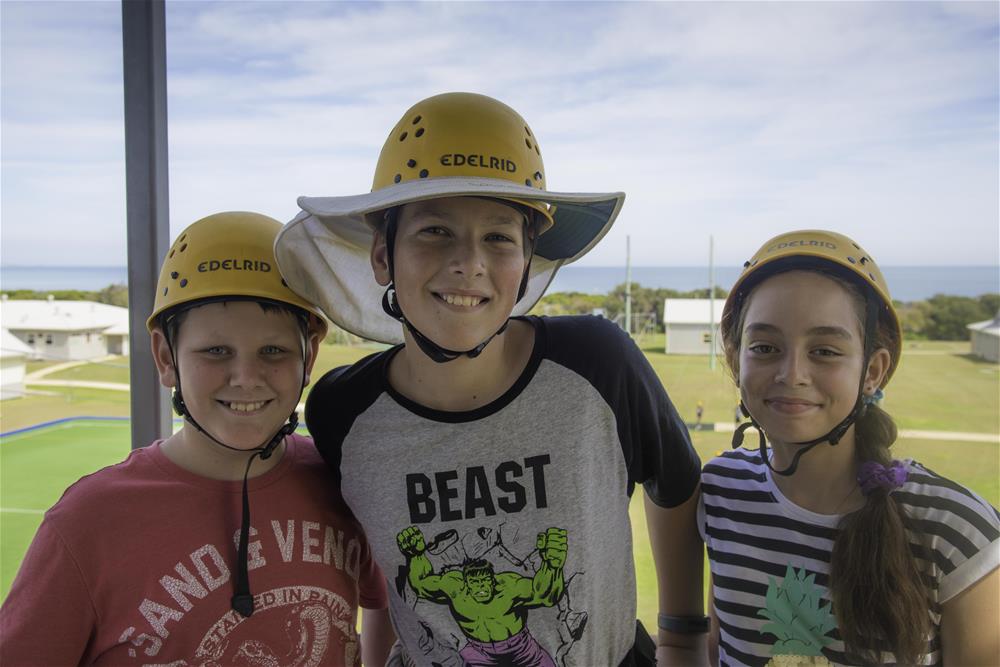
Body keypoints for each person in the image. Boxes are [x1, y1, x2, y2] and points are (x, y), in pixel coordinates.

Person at [274, 92, 707, 665]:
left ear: (527, 262)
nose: (469, 263)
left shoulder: (597, 363)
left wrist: (682, 638)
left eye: (499, 237)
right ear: (383, 254)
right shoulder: (342, 412)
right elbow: (376, 563)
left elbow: (676, 485)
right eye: (434, 231)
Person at [0, 212, 394, 666]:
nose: (246, 379)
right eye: (216, 351)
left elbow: (381, 600)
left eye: (273, 351)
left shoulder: (343, 480)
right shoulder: (88, 522)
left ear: (309, 357)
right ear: (165, 357)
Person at [700, 229, 999, 666]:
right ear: (734, 360)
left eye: (824, 350)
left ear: (873, 371)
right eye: (765, 347)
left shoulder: (956, 530)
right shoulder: (723, 490)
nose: (792, 373)